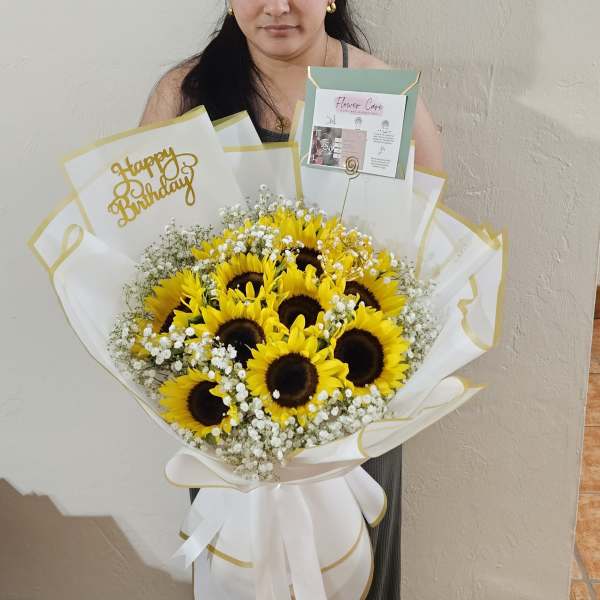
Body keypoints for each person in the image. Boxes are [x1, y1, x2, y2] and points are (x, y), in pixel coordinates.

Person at [140, 2, 443, 598]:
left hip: (354, 392)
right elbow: (148, 240)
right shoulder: (185, 92)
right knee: (241, 569)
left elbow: (429, 240)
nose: (277, 6)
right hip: (226, 399)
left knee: (354, 567)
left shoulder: (380, 93)